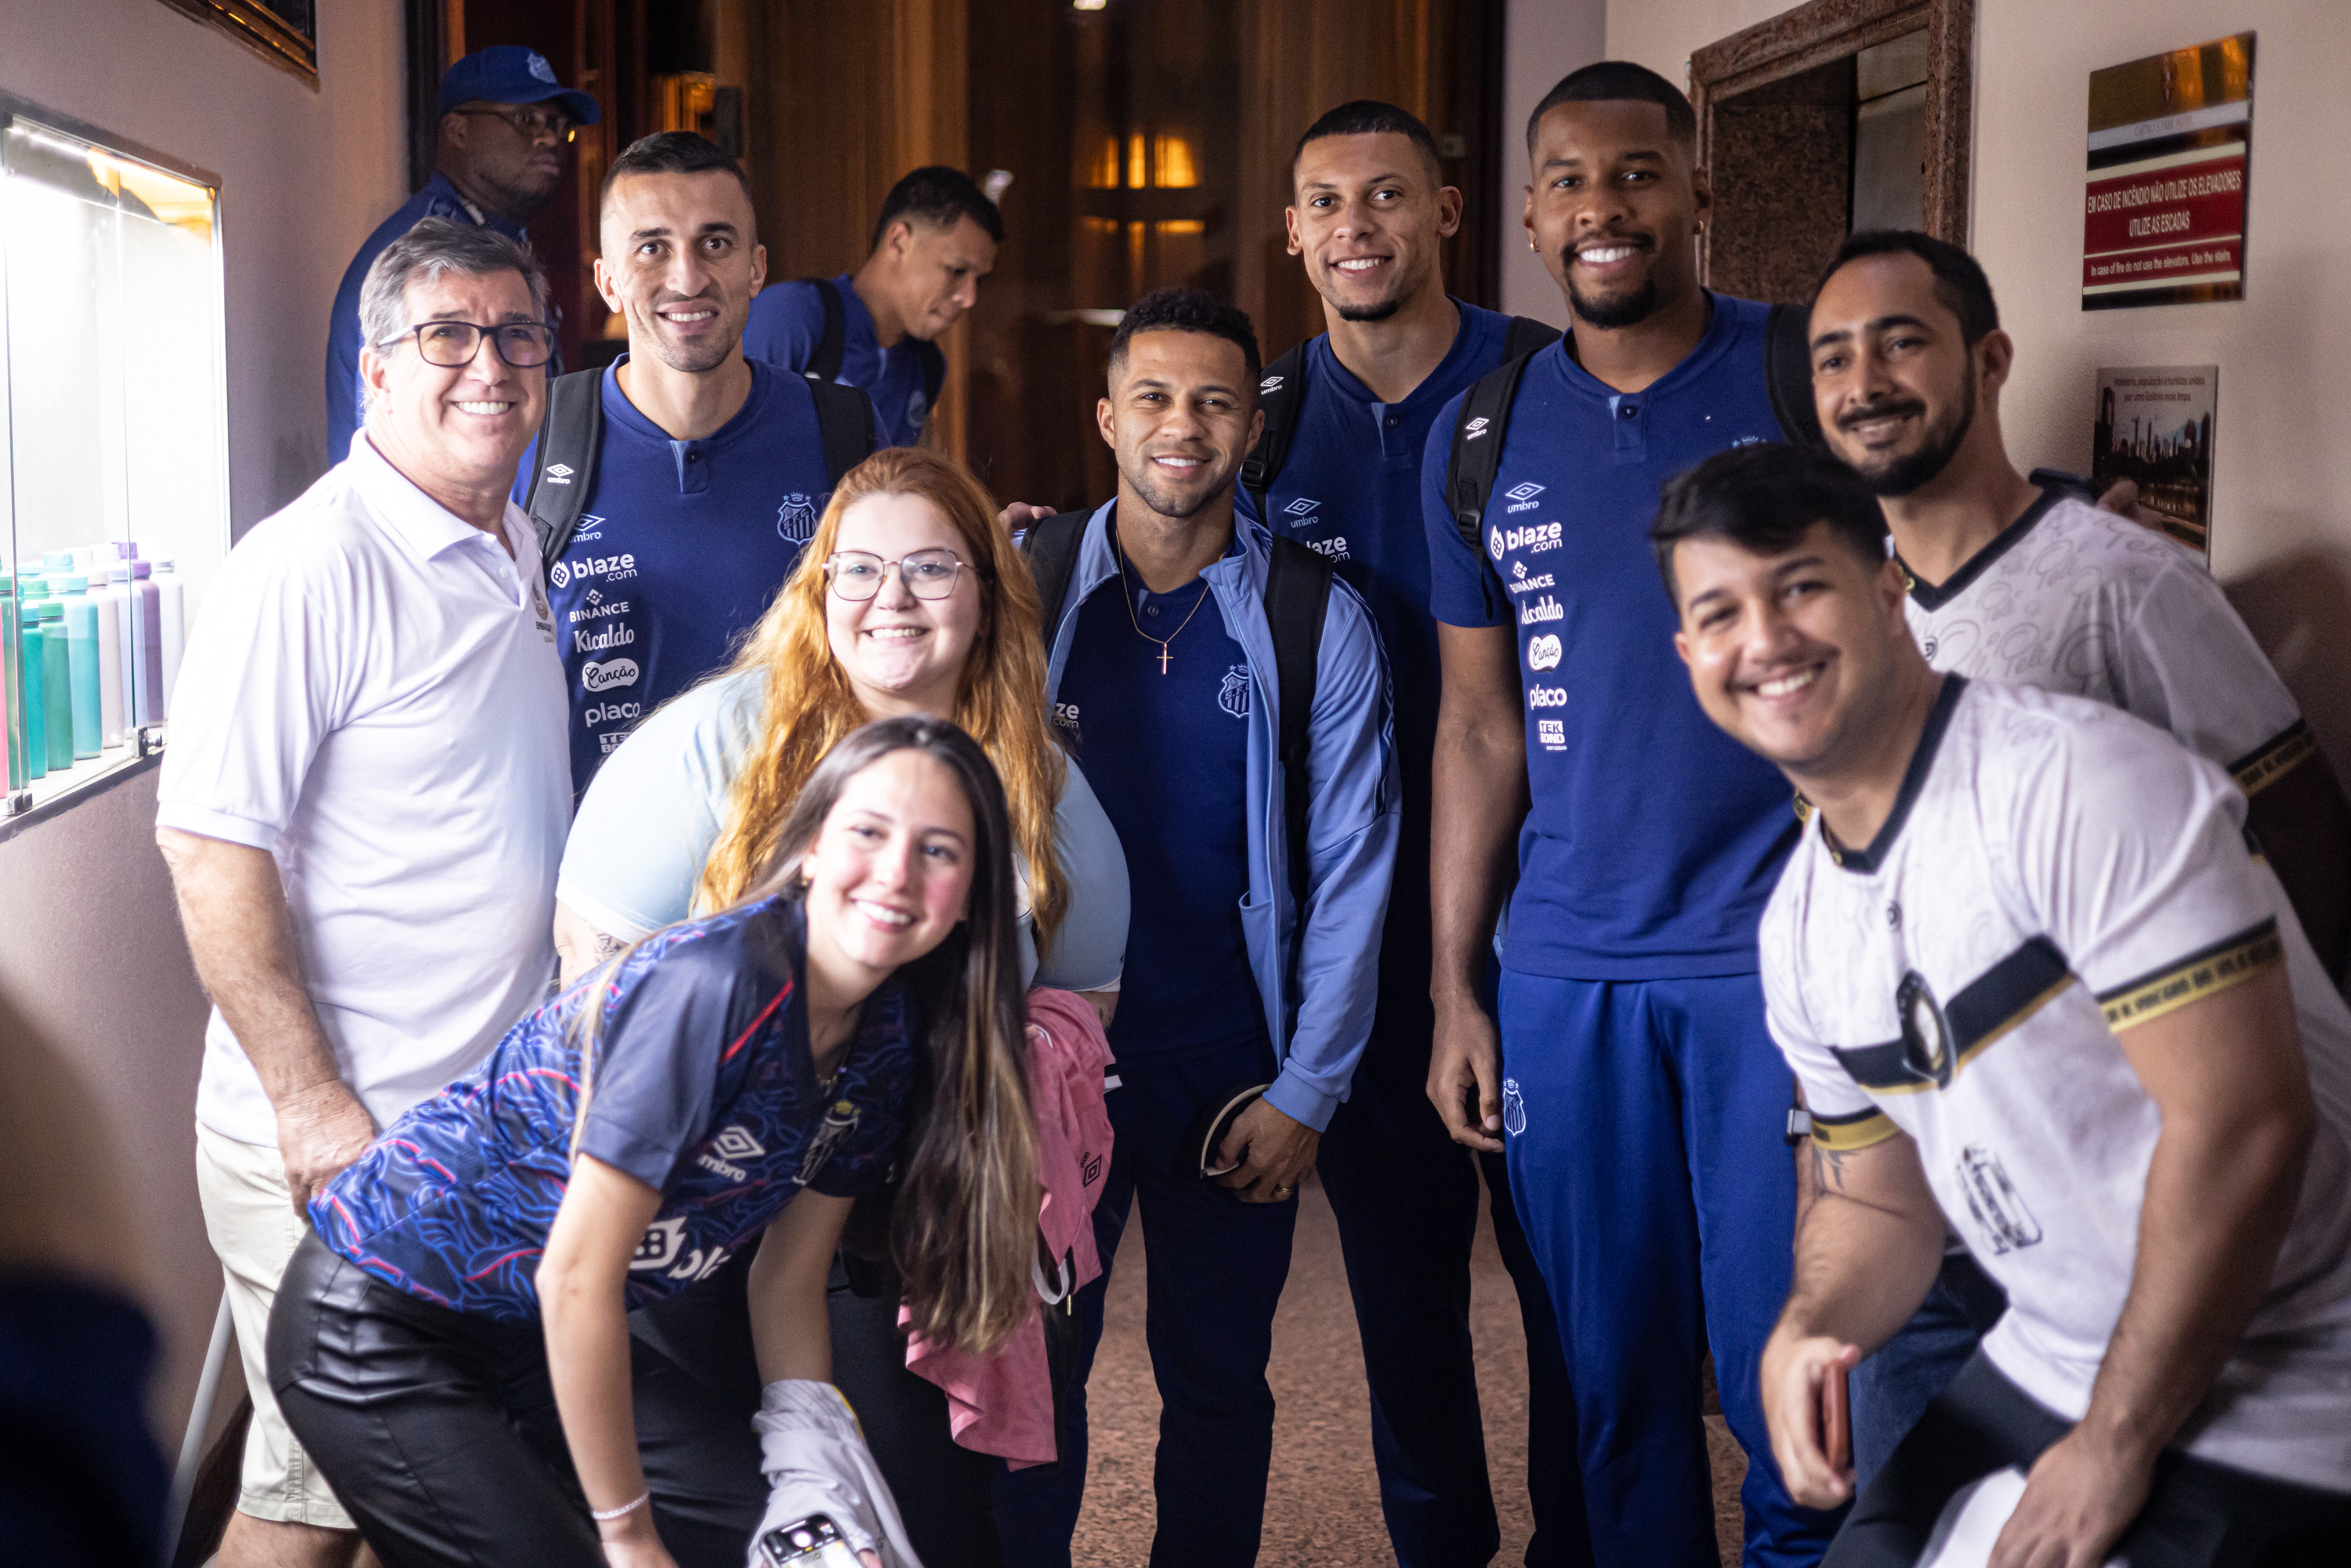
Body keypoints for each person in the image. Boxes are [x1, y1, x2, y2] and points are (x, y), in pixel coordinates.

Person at [1655, 440, 2351, 1568]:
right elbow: (1877, 1206)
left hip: (2294, 1372)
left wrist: (2115, 1444)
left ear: (1890, 593)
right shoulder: (1799, 929)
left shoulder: (2081, 784)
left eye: (1801, 588)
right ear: (1690, 655)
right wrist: (1813, 1321)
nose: (1766, 640)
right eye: (1722, 613)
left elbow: (2249, 1131)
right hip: (2059, 1353)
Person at [1802, 227, 2351, 1490]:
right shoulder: (1850, 619)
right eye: (1836, 355)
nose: (1866, 379)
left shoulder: (2123, 584)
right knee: (1915, 1508)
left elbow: (2300, 839)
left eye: (1903, 341)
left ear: (1988, 360)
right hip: (1943, 1190)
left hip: (2126, 1187)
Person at [269, 716, 1041, 1568]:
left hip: (524, 1328)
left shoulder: (888, 1034)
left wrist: (812, 1462)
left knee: (781, 1545)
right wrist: (629, 1534)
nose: (896, 871)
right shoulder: (719, 986)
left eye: (939, 851)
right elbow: (576, 1277)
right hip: (384, 1316)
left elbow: (787, 1281)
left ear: (972, 892)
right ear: (814, 846)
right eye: (869, 831)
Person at [555, 444, 1130, 1566]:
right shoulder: (716, 740)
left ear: (984, 586)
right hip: (691, 1209)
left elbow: (1087, 1002)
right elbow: (593, 978)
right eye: (857, 572)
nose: (892, 601)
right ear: (818, 593)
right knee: (722, 1521)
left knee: (904, 1518)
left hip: (886, 1223)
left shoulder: (1033, 774)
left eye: (930, 568)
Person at [1420, 62, 1837, 1568]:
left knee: (1795, 1378)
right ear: (1530, 217)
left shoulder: (1797, 375)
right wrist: (1455, 987)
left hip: (1774, 966)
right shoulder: (1481, 434)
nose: (1607, 208)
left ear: (1699, 193)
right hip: (1568, 978)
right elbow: (1478, 726)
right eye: (1575, 183)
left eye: (1640, 174)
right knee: (1613, 1392)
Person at [158, 219, 571, 1568]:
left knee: (387, 1501)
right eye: (447, 336)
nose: (490, 365)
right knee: (310, 1509)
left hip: (463, 1135)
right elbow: (212, 848)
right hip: (348, 1135)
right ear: (376, 368)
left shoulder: (513, 535)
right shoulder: (306, 566)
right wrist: (311, 1102)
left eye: (516, 334)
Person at [991, 287, 1398, 1568]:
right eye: (1155, 398)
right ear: (1107, 416)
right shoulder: (1025, 585)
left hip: (1231, 1070)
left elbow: (1355, 867)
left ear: (1250, 427)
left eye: (1216, 401)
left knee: (1219, 1387)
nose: (1185, 425)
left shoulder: (1315, 618)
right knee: (1030, 1389)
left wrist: (1311, 1088)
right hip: (1054, 1067)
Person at [1237, 98, 1585, 1568]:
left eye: (1389, 196)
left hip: (1552, 918)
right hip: (1361, 930)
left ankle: (1585, 1542)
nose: (1356, 226)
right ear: (1297, 233)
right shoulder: (1255, 426)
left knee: (1580, 1297)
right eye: (1327, 202)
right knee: (1403, 1304)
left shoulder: (1548, 385)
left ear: (1451, 212)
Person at [520, 131, 878, 792]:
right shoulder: (534, 440)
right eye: (652, 247)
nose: (687, 277)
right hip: (597, 874)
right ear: (608, 281)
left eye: (715, 243)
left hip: (806, 866)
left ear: (757, 268)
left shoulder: (845, 431)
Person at [326, 45, 598, 462]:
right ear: (458, 131)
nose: (548, 139)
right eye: (526, 120)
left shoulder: (496, 235)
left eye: (558, 125)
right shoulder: (421, 256)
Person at [744, 166, 1002, 447]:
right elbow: (724, 454)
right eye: (956, 270)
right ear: (899, 242)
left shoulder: (926, 367)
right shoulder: (792, 315)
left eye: (980, 280)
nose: (969, 297)